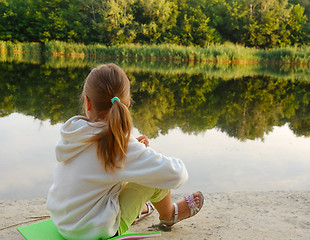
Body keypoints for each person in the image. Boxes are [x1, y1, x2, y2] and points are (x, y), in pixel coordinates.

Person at [46, 63, 204, 240]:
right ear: (126, 106)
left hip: (62, 222)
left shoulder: (73, 131)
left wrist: (131, 153)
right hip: (92, 231)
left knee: (121, 172)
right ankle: (169, 215)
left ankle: (141, 208)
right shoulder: (120, 146)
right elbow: (177, 175)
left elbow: (94, 164)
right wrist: (144, 156)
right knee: (153, 180)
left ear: (88, 101)